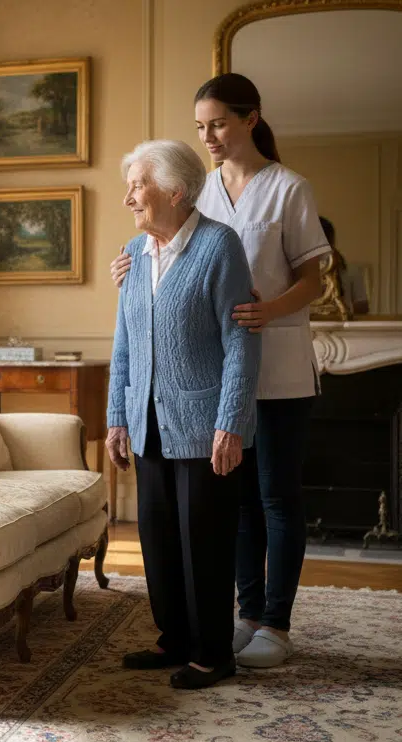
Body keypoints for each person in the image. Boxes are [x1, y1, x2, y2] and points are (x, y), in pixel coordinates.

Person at [110, 73, 330, 669]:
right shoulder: (199, 193)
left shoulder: (288, 188)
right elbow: (164, 252)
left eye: (219, 123)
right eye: (200, 125)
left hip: (275, 359)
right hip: (208, 368)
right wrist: (133, 274)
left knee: (275, 498)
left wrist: (266, 311)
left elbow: (314, 278)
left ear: (250, 119)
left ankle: (273, 624)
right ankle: (239, 616)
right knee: (231, 508)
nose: (208, 134)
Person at [107, 138, 260, 689]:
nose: (128, 197)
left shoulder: (220, 247)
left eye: (137, 185)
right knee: (158, 537)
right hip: (145, 421)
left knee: (205, 542)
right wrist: (116, 417)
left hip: (202, 425)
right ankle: (174, 640)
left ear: (175, 191)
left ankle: (213, 653)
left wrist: (231, 422)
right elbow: (123, 340)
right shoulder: (135, 250)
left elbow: (241, 341)